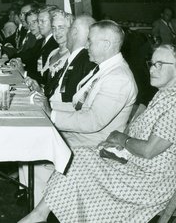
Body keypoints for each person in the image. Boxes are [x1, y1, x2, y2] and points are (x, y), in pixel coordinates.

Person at [19, 44, 176, 223]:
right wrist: (121, 141)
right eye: (152, 63)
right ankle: (40, 215)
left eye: (160, 64)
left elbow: (149, 150)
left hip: (148, 183)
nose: (153, 69)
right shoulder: (163, 95)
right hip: (133, 166)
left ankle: (39, 215)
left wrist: (122, 139)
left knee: (78, 160)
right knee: (78, 157)